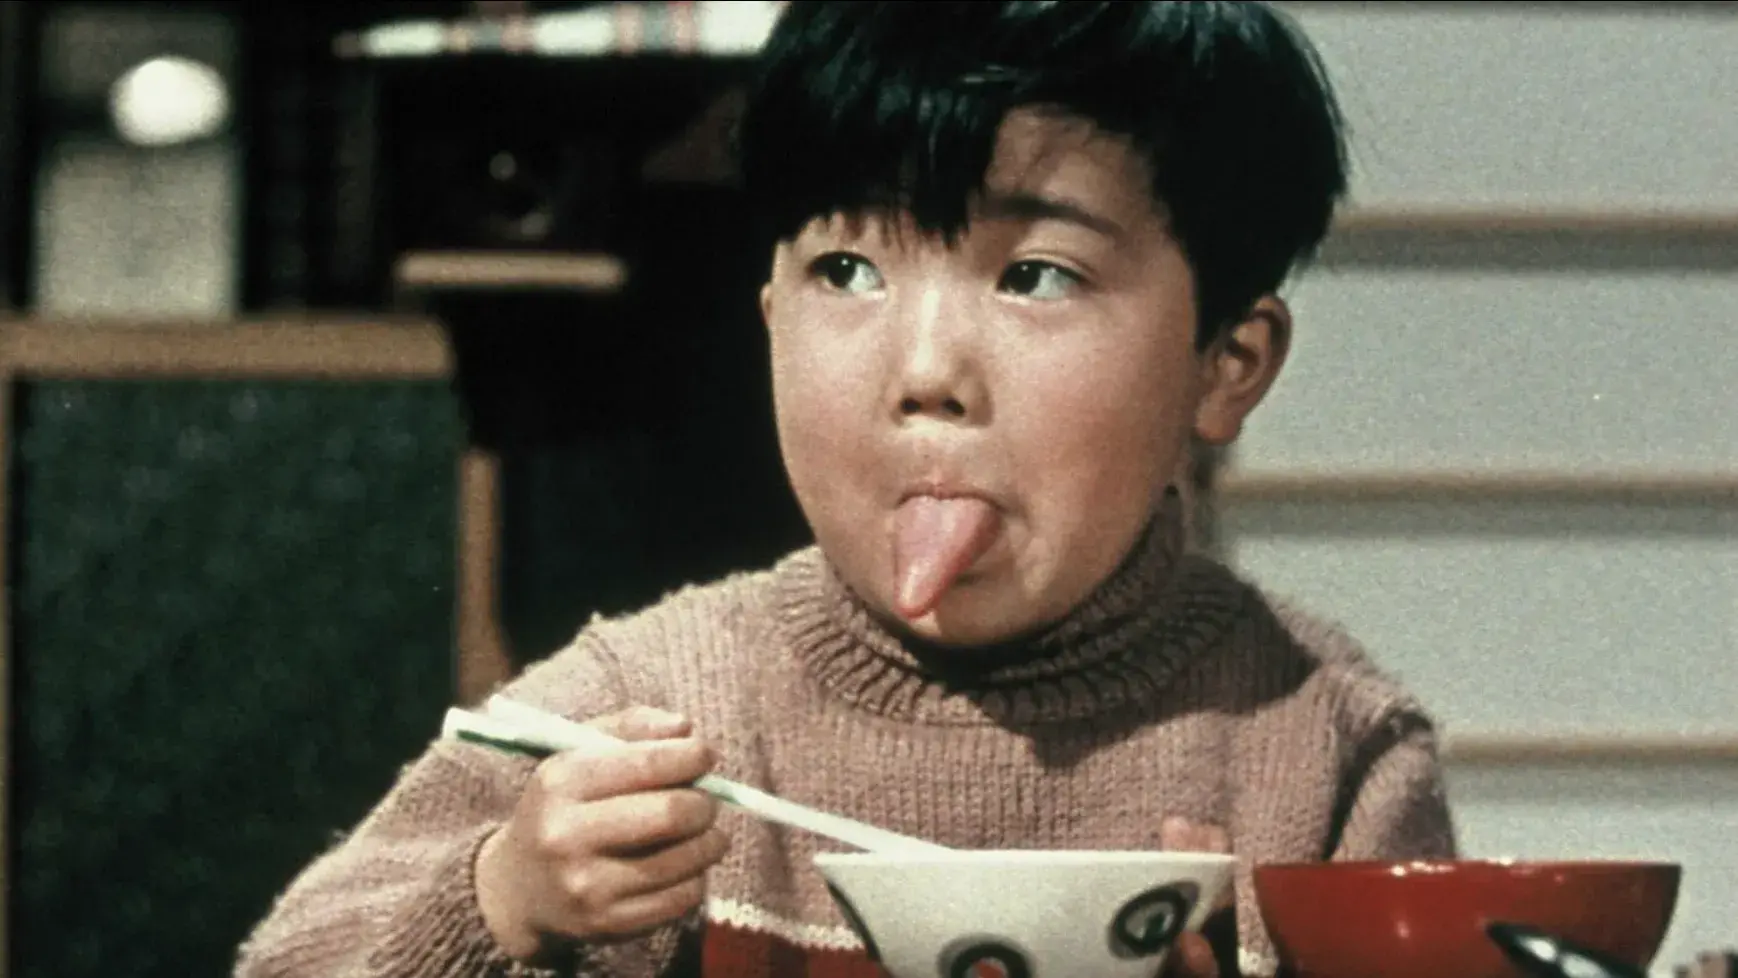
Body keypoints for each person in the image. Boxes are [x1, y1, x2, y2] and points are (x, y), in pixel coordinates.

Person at [236, 2, 1456, 976]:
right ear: (768, 320)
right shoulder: (641, 713)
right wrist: (502, 899)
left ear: (1223, 367)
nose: (923, 372)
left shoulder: (1329, 750)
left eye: (1034, 275)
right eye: (846, 269)